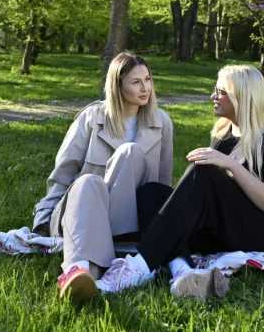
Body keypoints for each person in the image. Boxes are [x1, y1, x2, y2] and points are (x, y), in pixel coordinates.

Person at [97, 64, 264, 301]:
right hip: (225, 230)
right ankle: (182, 269)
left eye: (220, 91)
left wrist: (230, 166)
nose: (213, 96)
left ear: (241, 97)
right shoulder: (223, 137)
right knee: (151, 194)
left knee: (204, 171)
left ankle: (139, 267)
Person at [32, 52, 174, 302]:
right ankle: (78, 271)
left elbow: (161, 185)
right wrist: (43, 222)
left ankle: (90, 271)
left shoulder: (162, 122)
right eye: (136, 82)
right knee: (88, 181)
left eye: (148, 79)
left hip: (127, 224)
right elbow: (63, 173)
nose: (145, 88)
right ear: (117, 86)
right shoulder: (91, 118)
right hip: (81, 212)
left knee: (129, 152)